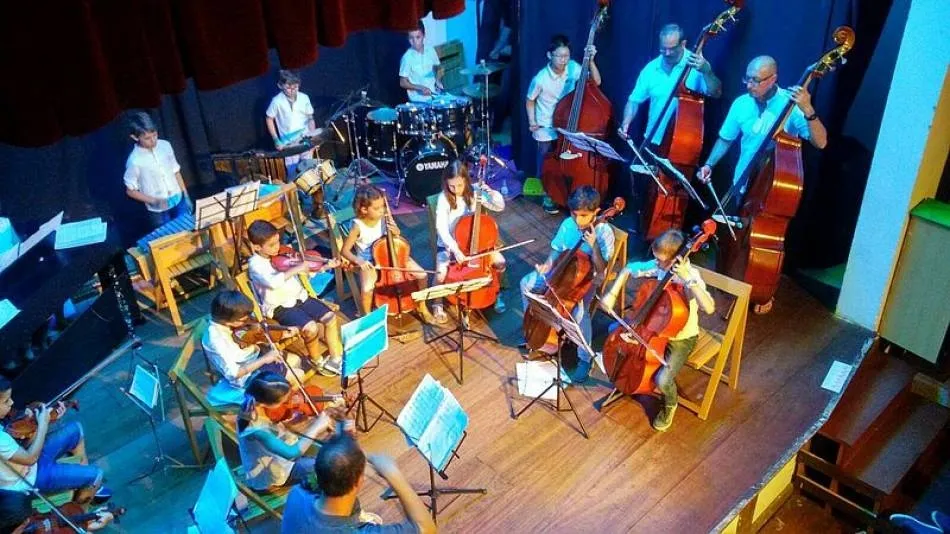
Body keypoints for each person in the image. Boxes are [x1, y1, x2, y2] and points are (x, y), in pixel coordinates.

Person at [599, 229, 716, 431]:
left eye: (661, 261)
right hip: (654, 330)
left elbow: (709, 307)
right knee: (614, 332)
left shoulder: (690, 276)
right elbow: (629, 269)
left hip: (681, 339)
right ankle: (628, 379)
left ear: (677, 260)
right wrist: (612, 294)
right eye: (656, 260)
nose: (657, 264)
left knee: (662, 380)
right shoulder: (661, 266)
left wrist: (688, 279)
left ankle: (670, 403)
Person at [696, 55, 828, 199]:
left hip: (771, 190)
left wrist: (808, 109)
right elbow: (726, 139)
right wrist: (709, 165)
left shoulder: (791, 105)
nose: (749, 85)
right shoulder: (741, 103)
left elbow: (821, 143)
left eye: (756, 80)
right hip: (740, 184)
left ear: (772, 79)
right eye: (747, 79)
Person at [520, 185, 614, 382]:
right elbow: (557, 249)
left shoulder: (604, 232)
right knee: (526, 284)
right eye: (574, 214)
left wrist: (594, 245)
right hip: (561, 271)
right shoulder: (568, 224)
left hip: (586, 281)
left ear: (596, 212)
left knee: (579, 314)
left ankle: (585, 359)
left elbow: (601, 268)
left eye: (583, 216)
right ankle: (535, 332)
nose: (578, 220)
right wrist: (547, 264)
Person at [281, 432, 436, 534]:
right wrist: (393, 474)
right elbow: (426, 528)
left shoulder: (296, 494)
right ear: (359, 481)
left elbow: (332, 463)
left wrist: (342, 443)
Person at [246, 220, 343, 375]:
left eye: (278, 241)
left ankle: (336, 358)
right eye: (271, 245)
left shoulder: (283, 252)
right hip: (280, 307)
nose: (277, 247)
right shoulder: (255, 264)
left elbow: (305, 271)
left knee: (330, 318)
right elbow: (273, 282)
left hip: (301, 297)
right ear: (257, 247)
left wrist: (324, 266)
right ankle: (316, 360)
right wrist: (297, 267)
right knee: (311, 328)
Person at [0, 377, 110, 506]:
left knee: (76, 430)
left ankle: (81, 479)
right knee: (97, 474)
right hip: (30, 479)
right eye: (6, 401)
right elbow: (30, 458)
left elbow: (24, 448)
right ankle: (79, 506)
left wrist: (36, 425)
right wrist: (43, 424)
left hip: (30, 464)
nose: (12, 402)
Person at [526, 34, 601, 214]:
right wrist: (532, 121)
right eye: (559, 56)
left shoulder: (573, 68)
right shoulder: (540, 79)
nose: (563, 60)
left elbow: (597, 82)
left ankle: (566, 193)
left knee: (567, 162)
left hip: (567, 124)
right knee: (546, 163)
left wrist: (590, 61)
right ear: (549, 55)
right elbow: (529, 100)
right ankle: (547, 194)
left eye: (566, 56)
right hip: (546, 126)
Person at [340, 185, 437, 323]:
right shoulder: (357, 226)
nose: (382, 211)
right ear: (364, 209)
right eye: (377, 208)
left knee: (422, 275)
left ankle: (422, 307)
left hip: (392, 254)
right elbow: (344, 251)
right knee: (367, 288)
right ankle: (367, 318)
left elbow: (396, 238)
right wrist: (359, 261)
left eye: (383, 206)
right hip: (369, 261)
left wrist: (396, 231)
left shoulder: (385, 217)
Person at [237, 372, 343, 492]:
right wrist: (316, 427)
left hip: (281, 457)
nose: (289, 403)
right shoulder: (256, 430)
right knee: (331, 468)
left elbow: (275, 428)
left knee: (327, 452)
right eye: (283, 402)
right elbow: (292, 454)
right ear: (263, 403)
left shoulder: (251, 404)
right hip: (275, 474)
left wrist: (297, 419)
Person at [619, 23, 722, 145]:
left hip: (683, 143)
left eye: (672, 49)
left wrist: (707, 72)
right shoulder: (651, 68)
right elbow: (634, 101)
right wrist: (626, 123)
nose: (667, 53)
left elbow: (716, 93)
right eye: (663, 48)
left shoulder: (696, 64)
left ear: (683, 44)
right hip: (651, 141)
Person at [433, 160, 507, 322]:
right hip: (450, 244)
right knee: (441, 273)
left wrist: (491, 193)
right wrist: (456, 250)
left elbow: (499, 206)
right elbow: (441, 229)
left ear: (466, 180)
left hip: (478, 245)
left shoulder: (475, 191)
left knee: (500, 263)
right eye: (452, 186)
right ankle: (437, 302)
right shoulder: (443, 198)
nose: (456, 190)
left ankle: (496, 292)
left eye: (460, 185)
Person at [202, 290, 305, 394]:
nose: (248, 321)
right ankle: (281, 398)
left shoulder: (226, 321)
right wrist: (265, 359)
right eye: (243, 320)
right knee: (299, 375)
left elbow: (253, 335)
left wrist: (282, 333)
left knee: (296, 360)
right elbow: (233, 374)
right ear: (229, 320)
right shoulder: (216, 340)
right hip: (248, 375)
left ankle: (283, 394)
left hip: (255, 357)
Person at [123, 111, 191, 229]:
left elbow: (176, 171)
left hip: (178, 201)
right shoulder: (134, 160)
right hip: (159, 211)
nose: (153, 140)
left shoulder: (165, 146)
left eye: (155, 135)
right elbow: (130, 191)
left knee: (187, 231)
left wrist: (186, 196)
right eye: (147, 138)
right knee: (168, 237)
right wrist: (154, 201)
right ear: (135, 137)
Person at [265, 69, 318, 172]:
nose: (292, 90)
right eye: (289, 88)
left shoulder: (304, 98)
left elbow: (310, 118)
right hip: (288, 143)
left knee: (309, 170)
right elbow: (269, 118)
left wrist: (313, 136)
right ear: (280, 85)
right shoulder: (276, 101)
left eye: (295, 87)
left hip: (305, 140)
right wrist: (276, 140)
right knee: (293, 171)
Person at [399, 20, 443, 103]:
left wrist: (438, 80)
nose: (415, 42)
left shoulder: (431, 50)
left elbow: (439, 68)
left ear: (424, 35)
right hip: (418, 101)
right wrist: (420, 88)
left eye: (418, 37)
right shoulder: (407, 58)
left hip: (434, 97)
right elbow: (402, 82)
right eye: (411, 38)